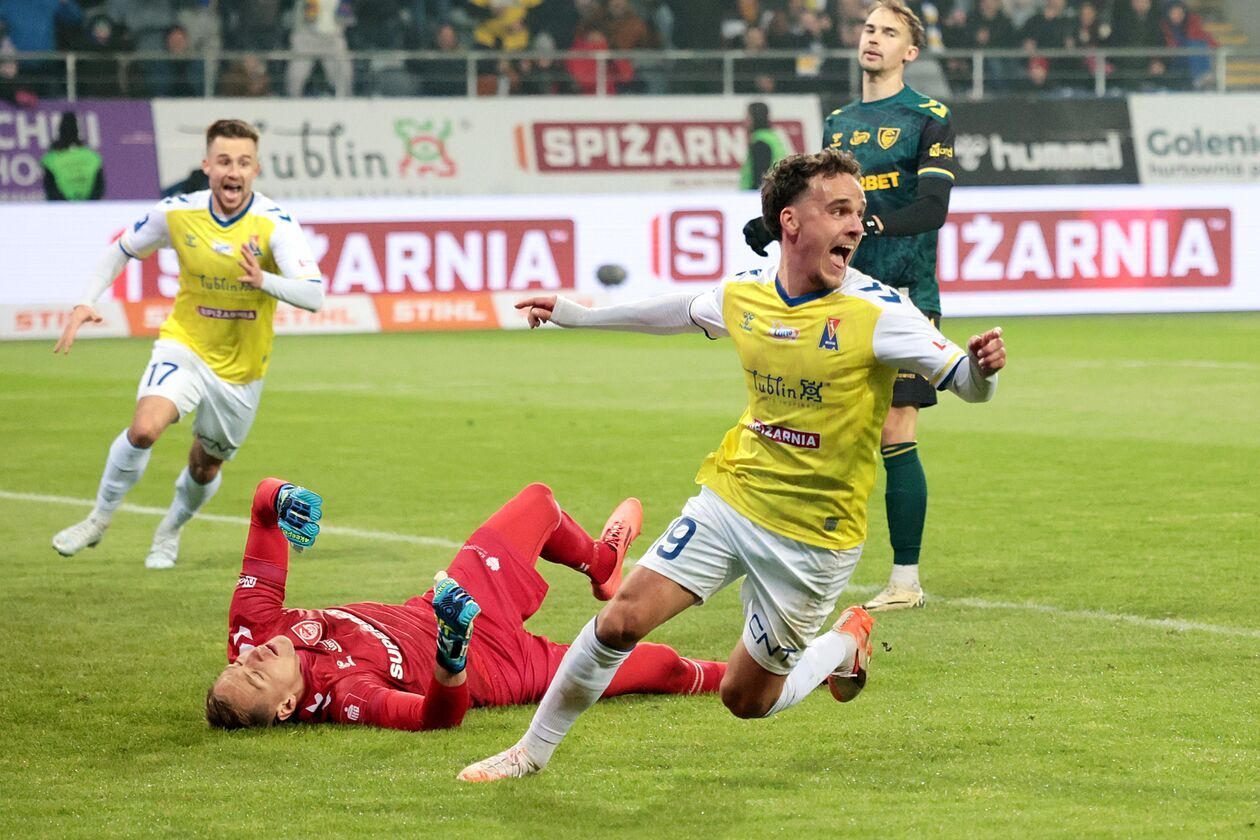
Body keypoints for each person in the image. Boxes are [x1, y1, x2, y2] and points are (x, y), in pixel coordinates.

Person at [456, 147, 1007, 781]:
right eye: (839, 210)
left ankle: (842, 644)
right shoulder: (746, 294)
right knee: (620, 618)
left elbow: (965, 382)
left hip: (814, 539)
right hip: (732, 498)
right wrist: (579, 315)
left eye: (858, 212)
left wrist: (984, 371)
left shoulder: (879, 311)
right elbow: (677, 311)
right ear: (791, 221)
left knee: (745, 699)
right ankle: (529, 753)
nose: (857, 226)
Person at [207, 477, 727, 730]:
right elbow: (436, 718)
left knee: (539, 503)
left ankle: (601, 562)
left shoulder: (254, 629)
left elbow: (261, 509)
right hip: (500, 668)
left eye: (238, 663)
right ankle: (766, 676)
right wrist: (452, 653)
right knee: (660, 666)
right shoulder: (348, 697)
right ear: (286, 707)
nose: (251, 657)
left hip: (447, 603)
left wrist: (281, 497)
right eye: (256, 676)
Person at [745, 0, 958, 613]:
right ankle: (791, 557)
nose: (874, 38)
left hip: (905, 295)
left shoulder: (930, 117)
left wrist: (870, 222)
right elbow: (815, 202)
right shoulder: (838, 123)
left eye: (889, 32)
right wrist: (772, 225)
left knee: (896, 427)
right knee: (818, 428)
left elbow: (933, 208)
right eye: (869, 28)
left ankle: (905, 580)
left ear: (909, 52)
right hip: (839, 296)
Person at [50, 119, 326, 570]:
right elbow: (122, 249)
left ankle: (170, 530)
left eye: (243, 162)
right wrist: (86, 300)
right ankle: (98, 519)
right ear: (207, 166)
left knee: (204, 467)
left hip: (241, 369)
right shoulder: (177, 212)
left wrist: (264, 280)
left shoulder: (274, 224)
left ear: (256, 169)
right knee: (144, 429)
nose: (233, 171)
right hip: (185, 345)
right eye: (224, 161)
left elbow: (314, 295)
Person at [42, 112, 104, 201]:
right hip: (88, 206)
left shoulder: (51, 158)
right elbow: (99, 188)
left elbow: (50, 189)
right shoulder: (93, 157)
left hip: (62, 207)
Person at [739, 101, 787, 191]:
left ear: (755, 118)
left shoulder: (761, 143)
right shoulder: (771, 138)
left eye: (747, 117)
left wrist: (751, 194)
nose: (744, 121)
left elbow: (760, 177)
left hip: (757, 195)